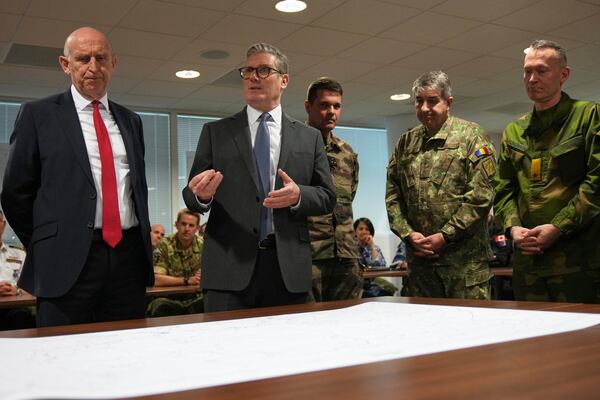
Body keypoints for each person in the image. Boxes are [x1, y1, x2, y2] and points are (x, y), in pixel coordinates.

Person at [1, 27, 154, 327]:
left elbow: (135, 190)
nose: (93, 67)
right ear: (65, 64)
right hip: (65, 263)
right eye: (83, 58)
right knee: (63, 355)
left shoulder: (130, 120)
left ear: (114, 63)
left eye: (101, 58)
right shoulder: (37, 115)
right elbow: (15, 193)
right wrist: (50, 241)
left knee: (127, 353)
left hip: (128, 258)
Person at [183, 43, 335, 312]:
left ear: (284, 80)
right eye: (248, 71)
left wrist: (300, 194)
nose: (253, 77)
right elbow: (192, 194)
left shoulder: (308, 137)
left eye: (264, 70)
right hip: (228, 269)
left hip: (287, 269)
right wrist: (200, 196)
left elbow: (327, 196)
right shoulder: (215, 133)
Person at [494, 40, 600, 303]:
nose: (532, 79)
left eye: (542, 71)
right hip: (528, 265)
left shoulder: (588, 116)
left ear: (563, 75)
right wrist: (513, 228)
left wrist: (557, 226)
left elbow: (596, 183)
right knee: (531, 338)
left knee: (581, 341)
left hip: (578, 262)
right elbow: (503, 188)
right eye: (527, 71)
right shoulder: (514, 131)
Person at [386, 71, 496, 300]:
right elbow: (393, 196)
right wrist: (408, 234)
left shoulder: (472, 136)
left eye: (432, 100)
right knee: (427, 331)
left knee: (472, 330)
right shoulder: (405, 143)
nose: (425, 108)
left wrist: (445, 236)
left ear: (448, 102)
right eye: (419, 101)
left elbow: (480, 196)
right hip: (421, 266)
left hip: (464, 266)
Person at [305, 78, 362, 302]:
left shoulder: (347, 153)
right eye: (324, 105)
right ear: (308, 106)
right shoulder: (293, 149)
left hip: (346, 256)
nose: (331, 112)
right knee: (306, 325)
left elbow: (349, 198)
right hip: (310, 257)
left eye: (336, 106)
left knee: (348, 326)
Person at [147, 209, 203, 317]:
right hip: (169, 298)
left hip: (196, 298)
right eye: (183, 224)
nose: (186, 229)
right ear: (176, 225)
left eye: (191, 225)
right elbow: (156, 279)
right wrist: (187, 280)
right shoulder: (163, 245)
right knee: (157, 306)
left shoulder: (204, 245)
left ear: (197, 228)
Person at [0, 210, 35, 329]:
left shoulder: (20, 254)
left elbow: (33, 288)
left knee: (22, 317)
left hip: (16, 310)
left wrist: (17, 291)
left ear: (3, 224)